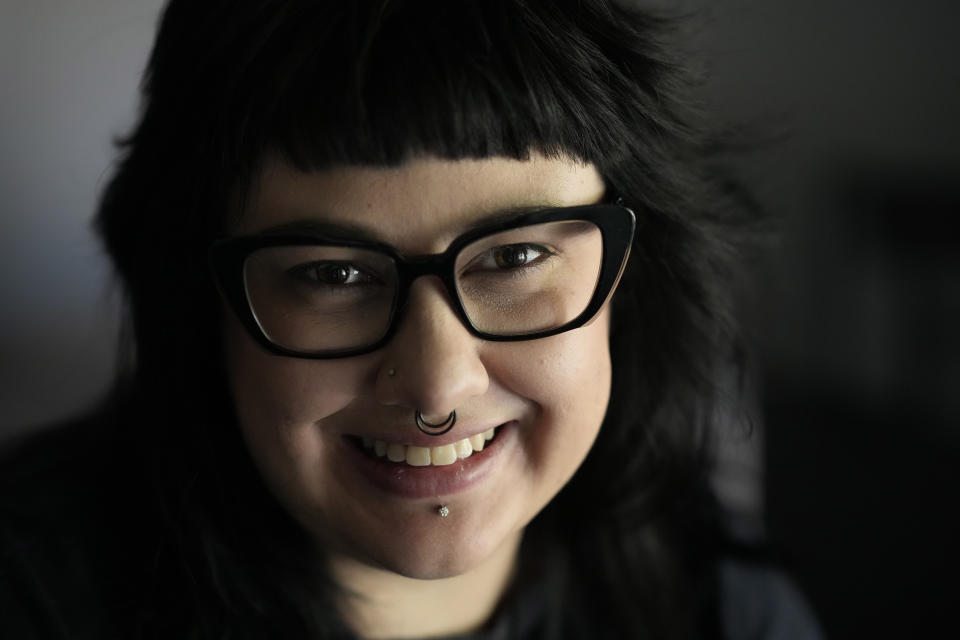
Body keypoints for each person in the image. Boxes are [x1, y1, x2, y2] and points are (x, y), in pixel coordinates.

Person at [0, 1, 823, 638]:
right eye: (334, 274)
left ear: (633, 273)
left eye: (515, 258)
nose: (438, 383)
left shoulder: (723, 608)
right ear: (199, 300)